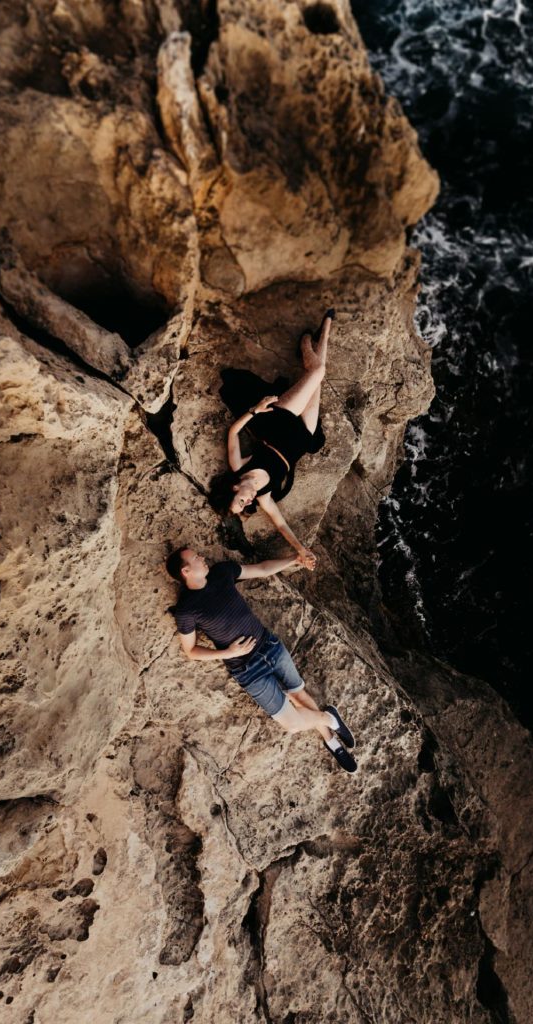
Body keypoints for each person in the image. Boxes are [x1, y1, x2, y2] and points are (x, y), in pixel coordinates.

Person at [165, 546, 357, 773]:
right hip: (246, 670)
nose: (203, 557)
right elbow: (191, 651)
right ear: (186, 571)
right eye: (196, 557)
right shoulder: (186, 609)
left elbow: (263, 569)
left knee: (298, 694)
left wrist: (294, 558)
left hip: (270, 647)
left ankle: (331, 741)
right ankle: (329, 718)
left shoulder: (221, 572)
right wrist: (229, 653)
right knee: (293, 724)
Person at [211, 310, 335, 570]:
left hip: (282, 419)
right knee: (317, 380)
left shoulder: (238, 467)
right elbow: (280, 524)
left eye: (241, 501)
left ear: (234, 489)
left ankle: (306, 342)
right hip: (303, 436)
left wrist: (255, 410)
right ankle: (323, 333)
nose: (249, 502)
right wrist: (300, 550)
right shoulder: (264, 496)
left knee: (319, 372)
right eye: (246, 506)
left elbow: (233, 432)